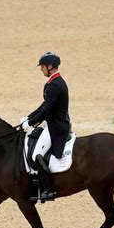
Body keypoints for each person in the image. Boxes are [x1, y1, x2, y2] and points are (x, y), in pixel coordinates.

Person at [21, 51, 71, 202]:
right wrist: (29, 117)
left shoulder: (55, 85)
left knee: (37, 154)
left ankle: (48, 190)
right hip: (53, 124)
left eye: (42, 66)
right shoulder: (53, 83)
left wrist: (30, 123)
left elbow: (47, 111)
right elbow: (44, 106)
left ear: (49, 66)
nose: (41, 69)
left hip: (56, 127)